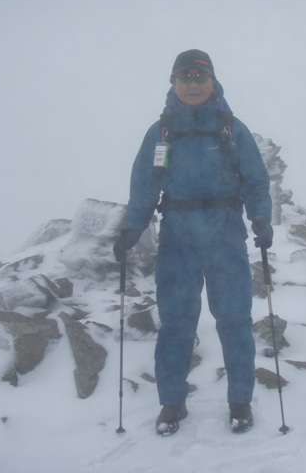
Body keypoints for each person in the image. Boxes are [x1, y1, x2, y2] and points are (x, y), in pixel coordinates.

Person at [113, 49, 273, 436]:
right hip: (178, 239)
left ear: (213, 82)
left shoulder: (231, 128)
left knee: (234, 321)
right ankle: (172, 404)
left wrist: (261, 218)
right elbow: (144, 186)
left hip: (225, 235)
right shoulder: (162, 132)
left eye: (200, 77)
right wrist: (131, 228)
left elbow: (255, 180)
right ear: (173, 82)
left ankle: (240, 402)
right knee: (176, 323)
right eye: (185, 77)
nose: (193, 84)